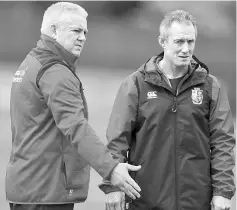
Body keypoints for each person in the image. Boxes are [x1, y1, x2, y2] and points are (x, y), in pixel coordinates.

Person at [5, 2, 142, 210]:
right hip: (46, 191)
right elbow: (76, 127)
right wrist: (111, 169)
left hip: (26, 187)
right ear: (53, 30)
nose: (83, 37)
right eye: (76, 30)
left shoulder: (30, 63)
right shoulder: (55, 72)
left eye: (85, 32)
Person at [99, 9, 236, 210]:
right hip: (145, 201)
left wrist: (222, 192)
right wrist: (113, 187)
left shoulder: (210, 86)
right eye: (179, 41)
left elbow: (223, 142)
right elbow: (117, 141)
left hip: (196, 202)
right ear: (163, 42)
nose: (186, 49)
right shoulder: (136, 85)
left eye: (190, 42)